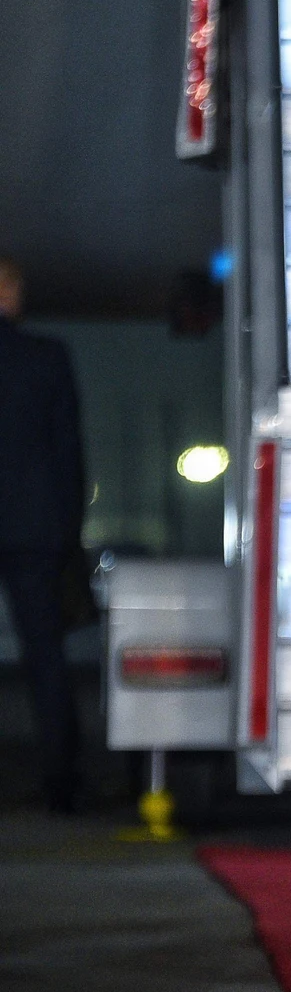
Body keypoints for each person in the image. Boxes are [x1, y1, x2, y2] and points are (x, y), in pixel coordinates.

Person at [0, 259, 87, 815]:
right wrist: (68, 530)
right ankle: (61, 782)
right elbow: (67, 452)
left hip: (30, 525)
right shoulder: (46, 356)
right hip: (33, 527)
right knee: (44, 656)